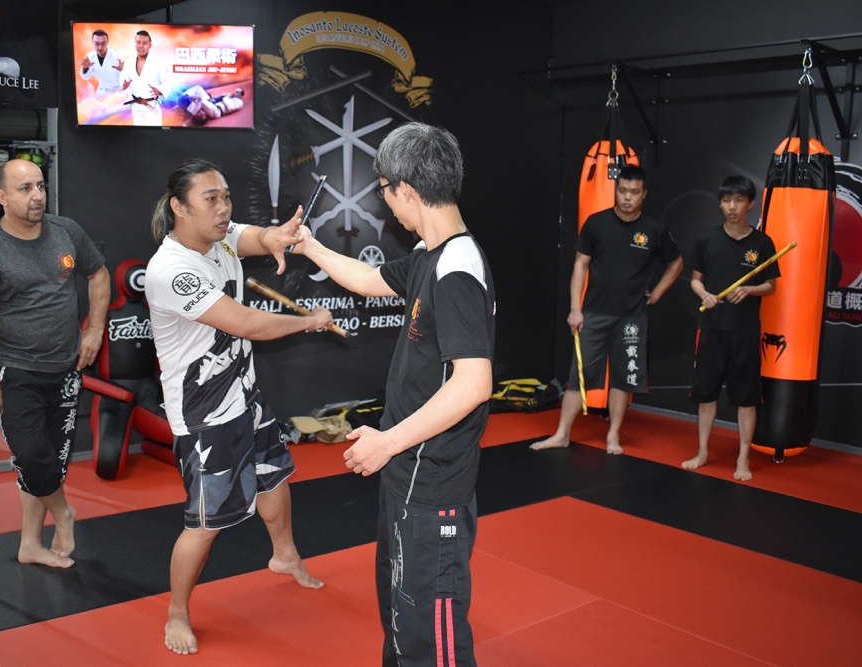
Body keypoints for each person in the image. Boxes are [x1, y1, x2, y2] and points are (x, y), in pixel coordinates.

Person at [296, 123, 495, 666]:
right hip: (407, 471)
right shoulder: (432, 253)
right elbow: (368, 279)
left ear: (405, 189)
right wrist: (310, 245)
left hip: (433, 480)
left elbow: (474, 383)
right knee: (403, 622)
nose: (385, 201)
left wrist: (387, 441)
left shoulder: (456, 268)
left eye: (384, 189)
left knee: (431, 639)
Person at [144, 159, 330, 655]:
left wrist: (276, 236)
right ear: (179, 207)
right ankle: (177, 612)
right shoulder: (171, 270)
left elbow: (255, 237)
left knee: (274, 476)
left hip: (244, 395)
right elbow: (245, 323)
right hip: (205, 414)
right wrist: (308, 321)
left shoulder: (220, 235)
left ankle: (285, 555)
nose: (223, 207)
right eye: (211, 199)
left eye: (226, 196)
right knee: (205, 525)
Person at [0, 159, 110, 568]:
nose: (37, 196)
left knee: (50, 461)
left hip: (65, 367)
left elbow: (98, 275)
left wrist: (95, 330)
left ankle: (30, 544)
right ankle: (64, 514)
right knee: (31, 454)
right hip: (17, 369)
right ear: (2, 196)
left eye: (40, 186)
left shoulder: (66, 231)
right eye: (25, 188)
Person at [532, 164, 683, 455]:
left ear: (644, 194)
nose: (627, 197)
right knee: (579, 374)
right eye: (622, 190)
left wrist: (658, 292)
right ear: (616, 190)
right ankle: (562, 434)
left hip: (632, 316)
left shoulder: (654, 229)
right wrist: (575, 310)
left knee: (623, 377)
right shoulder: (596, 223)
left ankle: (613, 436)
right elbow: (580, 266)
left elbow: (676, 263)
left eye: (634, 192)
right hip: (594, 313)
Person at [683, 176, 779, 481]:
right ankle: (702, 452)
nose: (732, 206)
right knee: (706, 395)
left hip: (745, 331)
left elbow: (771, 286)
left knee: (746, 398)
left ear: (750, 204)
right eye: (726, 200)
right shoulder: (707, 239)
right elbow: (695, 280)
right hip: (711, 329)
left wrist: (750, 289)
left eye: (739, 200)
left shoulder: (762, 243)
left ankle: (743, 460)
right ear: (720, 204)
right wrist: (704, 295)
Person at [120, 30, 170, 126]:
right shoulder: (129, 62)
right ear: (135, 43)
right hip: (136, 106)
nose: (141, 46)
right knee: (138, 133)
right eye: (138, 42)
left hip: (152, 106)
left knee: (154, 133)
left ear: (150, 45)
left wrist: (159, 91)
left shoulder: (158, 62)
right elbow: (123, 79)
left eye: (145, 43)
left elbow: (168, 82)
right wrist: (123, 85)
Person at [79, 29, 124, 99]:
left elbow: (129, 78)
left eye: (103, 44)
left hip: (118, 90)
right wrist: (85, 68)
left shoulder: (117, 57)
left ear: (107, 42)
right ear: (92, 42)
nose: (100, 47)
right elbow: (86, 77)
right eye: (97, 44)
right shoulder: (90, 57)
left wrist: (122, 70)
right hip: (102, 91)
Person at [180, 86, 244, 126]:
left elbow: (230, 107)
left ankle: (189, 119)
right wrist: (223, 96)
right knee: (198, 88)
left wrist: (226, 97)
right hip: (211, 103)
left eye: (237, 92)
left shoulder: (240, 102)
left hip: (216, 111)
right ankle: (182, 96)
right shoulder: (230, 97)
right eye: (235, 91)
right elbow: (216, 99)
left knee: (200, 100)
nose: (235, 92)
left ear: (241, 95)